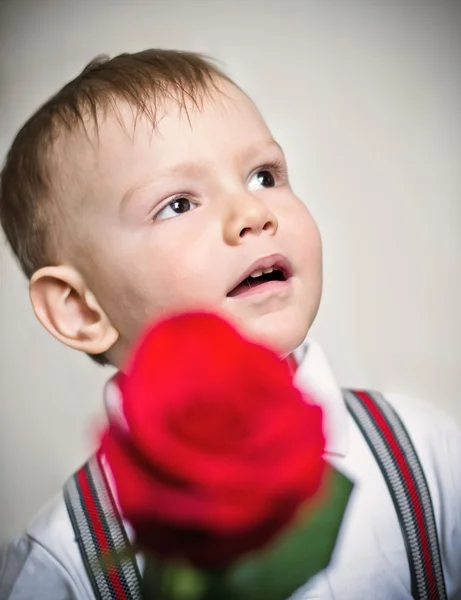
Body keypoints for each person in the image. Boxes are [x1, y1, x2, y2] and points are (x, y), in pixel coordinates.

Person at [0, 49, 459, 600]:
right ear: (80, 308)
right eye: (177, 204)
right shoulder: (65, 562)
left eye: (264, 175)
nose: (253, 213)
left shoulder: (425, 454)